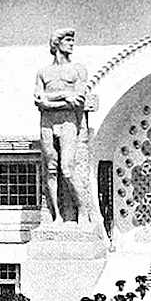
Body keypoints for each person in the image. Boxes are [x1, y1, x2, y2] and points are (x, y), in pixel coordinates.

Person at [34, 30, 92, 223]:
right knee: (50, 169)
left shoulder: (78, 69)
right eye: (68, 40)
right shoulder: (43, 72)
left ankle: (82, 211)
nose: (71, 44)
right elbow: (38, 100)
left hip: (68, 121)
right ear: (57, 43)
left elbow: (78, 101)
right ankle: (55, 216)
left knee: (67, 169)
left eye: (72, 40)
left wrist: (50, 101)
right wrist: (64, 96)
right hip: (47, 123)